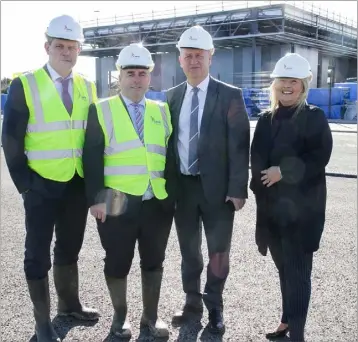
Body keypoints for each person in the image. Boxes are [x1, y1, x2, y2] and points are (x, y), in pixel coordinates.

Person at [1, 15, 99, 342]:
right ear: (47, 47)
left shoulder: (87, 86)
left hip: (76, 184)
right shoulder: (25, 84)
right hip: (40, 184)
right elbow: (11, 139)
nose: (67, 52)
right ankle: (42, 323)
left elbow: (93, 137)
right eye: (61, 46)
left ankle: (68, 306)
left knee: (70, 248)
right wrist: (25, 184)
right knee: (37, 253)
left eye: (73, 47)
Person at [82, 43, 174, 339]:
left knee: (154, 260)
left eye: (142, 73)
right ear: (118, 77)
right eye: (130, 73)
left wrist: (171, 196)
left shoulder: (161, 110)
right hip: (116, 201)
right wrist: (96, 199)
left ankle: (151, 317)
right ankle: (120, 318)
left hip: (155, 201)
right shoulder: (101, 109)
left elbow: (168, 155)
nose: (136, 79)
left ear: (150, 77)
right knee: (118, 261)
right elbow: (92, 157)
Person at [165, 25, 250, 334]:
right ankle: (192, 304)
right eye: (188, 55)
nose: (194, 61)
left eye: (199, 55)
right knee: (189, 251)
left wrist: (237, 189)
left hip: (218, 191)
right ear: (180, 60)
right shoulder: (170, 98)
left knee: (217, 251)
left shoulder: (230, 95)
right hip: (184, 189)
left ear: (211, 57)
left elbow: (240, 146)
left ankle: (214, 305)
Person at [250, 53, 333, 342]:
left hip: (302, 214)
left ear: (303, 85)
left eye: (293, 81)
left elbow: (319, 157)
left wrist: (281, 172)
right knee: (284, 271)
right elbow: (256, 160)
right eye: (282, 80)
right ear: (274, 85)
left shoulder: (314, 118)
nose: (287, 86)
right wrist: (260, 181)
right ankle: (286, 322)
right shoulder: (265, 120)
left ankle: (297, 333)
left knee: (298, 276)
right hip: (272, 213)